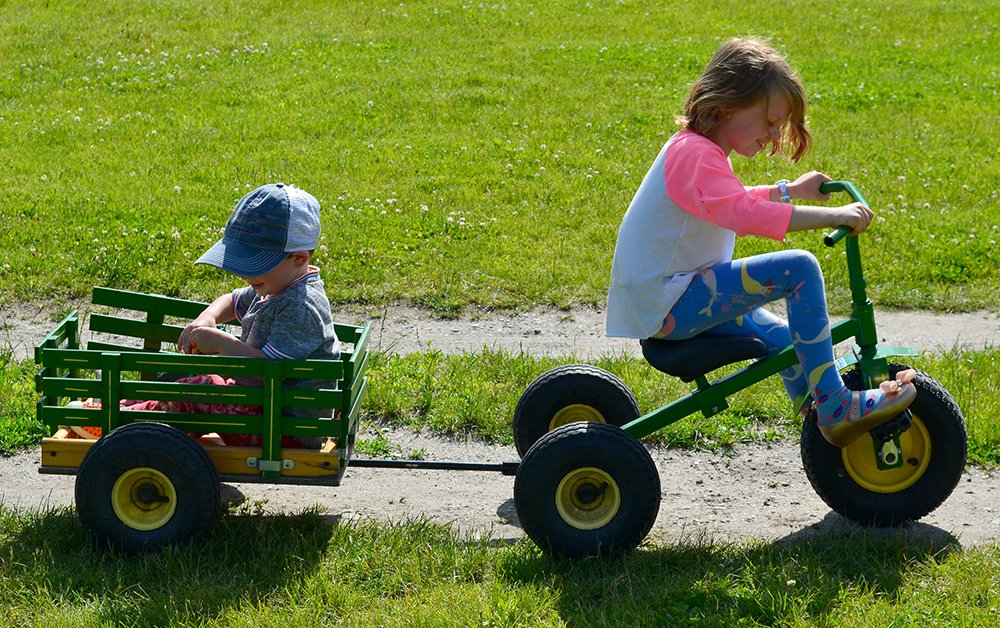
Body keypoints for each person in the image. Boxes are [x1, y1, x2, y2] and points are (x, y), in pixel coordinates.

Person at [605, 38, 915, 448]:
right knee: (800, 269)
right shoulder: (695, 153)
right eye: (770, 122)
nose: (773, 136)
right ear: (729, 104)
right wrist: (835, 216)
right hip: (668, 303)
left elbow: (733, 201)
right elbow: (743, 213)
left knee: (787, 339)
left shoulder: (699, 150)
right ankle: (836, 406)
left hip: (673, 298)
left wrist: (792, 190)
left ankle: (822, 413)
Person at [129, 182, 341, 449]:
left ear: (299, 258)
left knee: (200, 390)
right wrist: (208, 318)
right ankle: (140, 416)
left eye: (256, 264)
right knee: (200, 384)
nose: (245, 274)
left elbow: (268, 373)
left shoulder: (300, 306)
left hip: (284, 429)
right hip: (262, 408)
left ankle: (127, 423)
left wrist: (222, 343)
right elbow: (231, 300)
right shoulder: (277, 284)